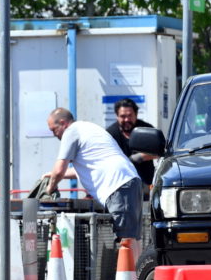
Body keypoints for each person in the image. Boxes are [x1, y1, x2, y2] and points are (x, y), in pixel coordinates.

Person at [45, 107, 143, 260]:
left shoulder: (71, 132)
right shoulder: (88, 128)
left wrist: (49, 189)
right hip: (129, 180)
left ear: (63, 123)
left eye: (53, 130)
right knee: (134, 239)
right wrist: (53, 176)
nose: (54, 134)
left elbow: (60, 169)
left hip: (117, 185)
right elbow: (85, 169)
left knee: (126, 242)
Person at [106, 98, 156, 188]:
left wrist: (140, 157)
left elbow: (159, 151)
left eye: (130, 116)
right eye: (122, 116)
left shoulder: (146, 129)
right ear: (117, 116)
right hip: (119, 184)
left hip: (146, 184)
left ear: (136, 115)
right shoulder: (110, 134)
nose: (126, 120)